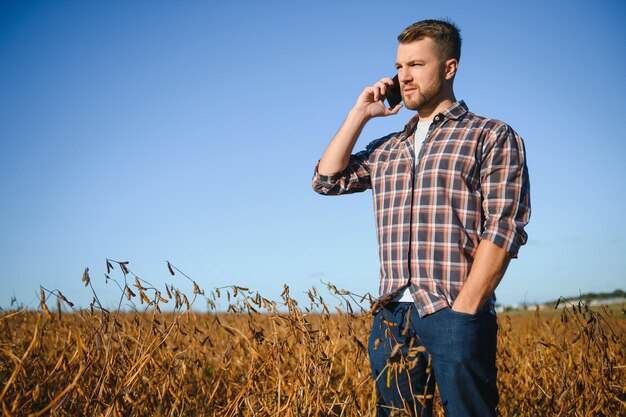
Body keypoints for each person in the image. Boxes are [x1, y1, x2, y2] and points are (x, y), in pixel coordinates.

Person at [312, 19, 531, 416]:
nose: (403, 77)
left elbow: (504, 225)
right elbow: (327, 180)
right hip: (393, 316)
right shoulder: (388, 147)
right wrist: (360, 114)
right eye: (399, 67)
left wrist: (467, 307)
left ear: (449, 68)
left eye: (415, 65)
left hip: (454, 309)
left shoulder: (491, 135)